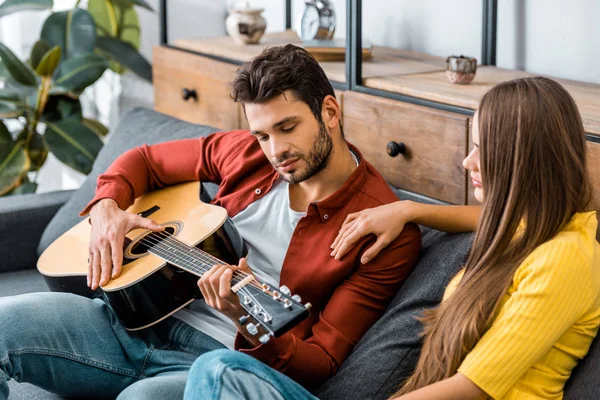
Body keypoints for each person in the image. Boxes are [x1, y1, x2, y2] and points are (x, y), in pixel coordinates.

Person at [0, 44, 421, 400]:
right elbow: (145, 161)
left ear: (330, 111)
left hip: (214, 361)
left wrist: (246, 320)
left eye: (287, 127)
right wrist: (107, 206)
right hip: (131, 321)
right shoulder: (247, 153)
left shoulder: (382, 230)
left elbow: (324, 359)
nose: (276, 150)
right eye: (262, 134)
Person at [183, 76, 600, 400]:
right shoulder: (532, 228)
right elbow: (493, 217)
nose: (466, 160)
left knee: (219, 370)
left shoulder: (567, 258)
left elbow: (473, 388)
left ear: (521, 157)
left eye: (482, 147)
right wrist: (408, 209)